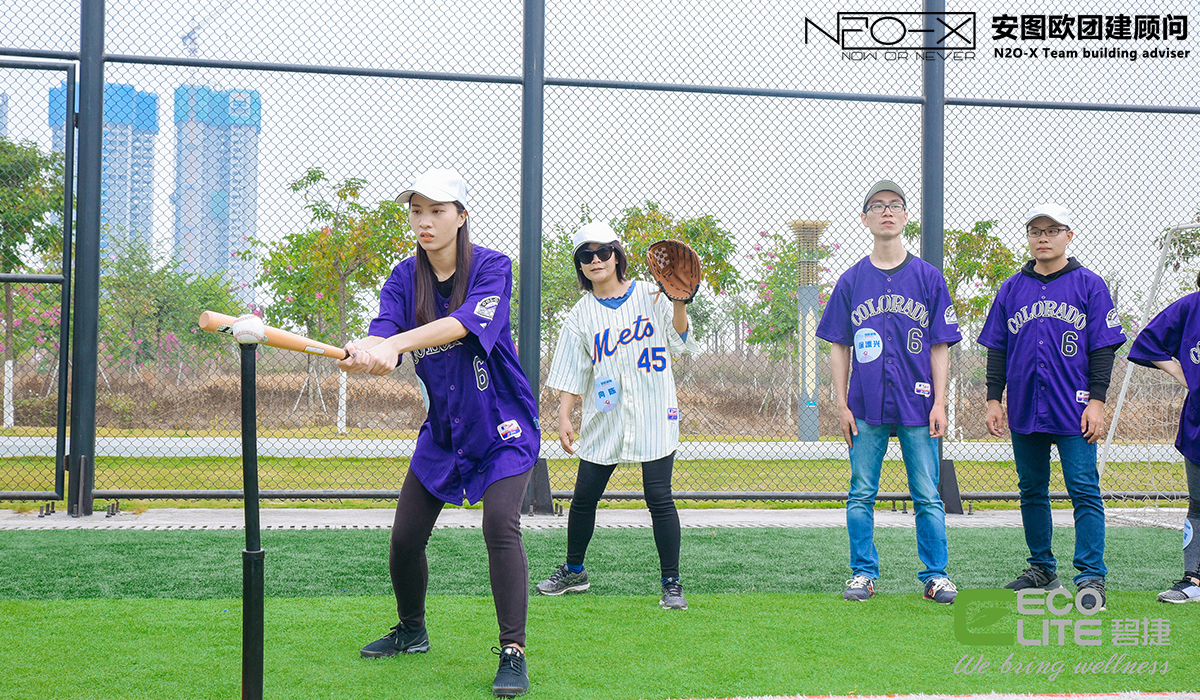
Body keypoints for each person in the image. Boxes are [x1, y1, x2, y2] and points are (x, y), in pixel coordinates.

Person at [338, 168, 539, 697]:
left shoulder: (493, 266)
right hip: (445, 430)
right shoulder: (405, 277)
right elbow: (384, 329)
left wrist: (395, 345)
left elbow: (466, 322)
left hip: (501, 424)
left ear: (461, 216)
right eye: (416, 211)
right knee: (405, 539)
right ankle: (412, 630)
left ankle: (513, 650)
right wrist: (366, 350)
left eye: (437, 210)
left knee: (500, 525)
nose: (424, 221)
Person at [535, 221, 697, 609]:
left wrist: (679, 302)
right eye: (586, 255)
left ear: (616, 255)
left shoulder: (651, 295)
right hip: (604, 416)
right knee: (584, 498)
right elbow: (572, 371)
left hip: (653, 410)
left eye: (603, 251)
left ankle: (671, 582)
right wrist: (564, 416)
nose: (596, 260)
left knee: (659, 497)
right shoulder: (580, 315)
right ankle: (575, 571)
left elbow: (680, 340)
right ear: (580, 265)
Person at [815, 181, 961, 604]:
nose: (887, 212)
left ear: (906, 217)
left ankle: (936, 576)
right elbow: (839, 345)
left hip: (918, 404)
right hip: (865, 405)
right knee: (861, 492)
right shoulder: (851, 280)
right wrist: (841, 404)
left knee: (927, 494)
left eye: (895, 205)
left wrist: (940, 402)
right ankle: (862, 573)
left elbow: (940, 345)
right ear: (865, 219)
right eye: (877, 206)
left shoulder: (928, 278)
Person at [978, 203, 1125, 612]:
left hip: (1074, 408)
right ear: (1028, 237)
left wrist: (1097, 402)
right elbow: (997, 349)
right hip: (1026, 405)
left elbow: (1103, 349)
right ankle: (1042, 569)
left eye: (1052, 230)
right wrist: (993, 398)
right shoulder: (1011, 288)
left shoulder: (1090, 285)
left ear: (1068, 236)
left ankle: (1091, 576)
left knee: (1083, 489)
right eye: (1035, 230)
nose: (1043, 237)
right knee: (1031, 490)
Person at [1127, 275, 1200, 603]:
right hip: (1198, 421)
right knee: (1198, 504)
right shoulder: (1191, 306)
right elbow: (1147, 341)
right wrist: (1180, 373)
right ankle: (1193, 580)